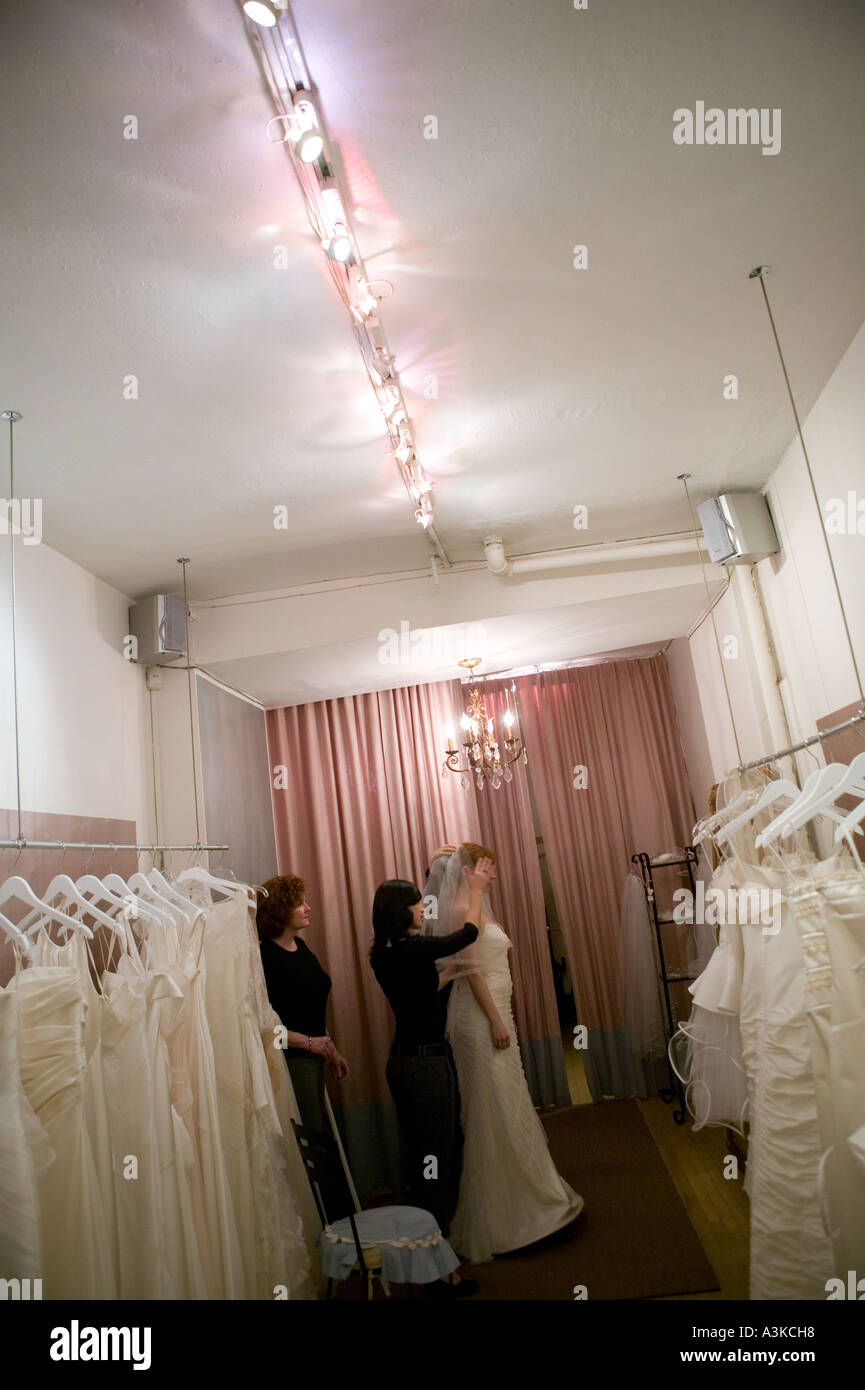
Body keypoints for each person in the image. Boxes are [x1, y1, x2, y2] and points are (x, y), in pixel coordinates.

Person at [424, 843, 584, 1265]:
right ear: (469, 870)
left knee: (506, 1099)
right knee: (491, 1106)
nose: (493, 875)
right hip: (479, 1017)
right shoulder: (461, 907)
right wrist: (495, 1020)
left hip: (494, 1010)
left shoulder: (473, 902)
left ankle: (526, 1195)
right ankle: (504, 1213)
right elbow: (471, 972)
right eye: (487, 867)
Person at [370, 866, 494, 1298]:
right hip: (426, 1066)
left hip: (402, 1063)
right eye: (418, 905)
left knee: (424, 1159)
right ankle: (439, 1270)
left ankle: (425, 1253)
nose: (424, 909)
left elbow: (418, 994)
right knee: (439, 1161)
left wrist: (449, 977)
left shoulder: (383, 954)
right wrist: (476, 890)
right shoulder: (413, 951)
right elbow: (469, 933)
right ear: (401, 913)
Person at [257, 874, 352, 1216]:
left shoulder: (301, 948)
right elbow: (264, 1027)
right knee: (312, 1141)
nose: (307, 907)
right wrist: (310, 1044)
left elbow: (309, 1006)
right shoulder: (265, 957)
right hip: (292, 1063)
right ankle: (329, 1226)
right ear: (281, 909)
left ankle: (340, 1224)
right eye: (300, 903)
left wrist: (330, 1048)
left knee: (323, 1137)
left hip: (311, 1057)